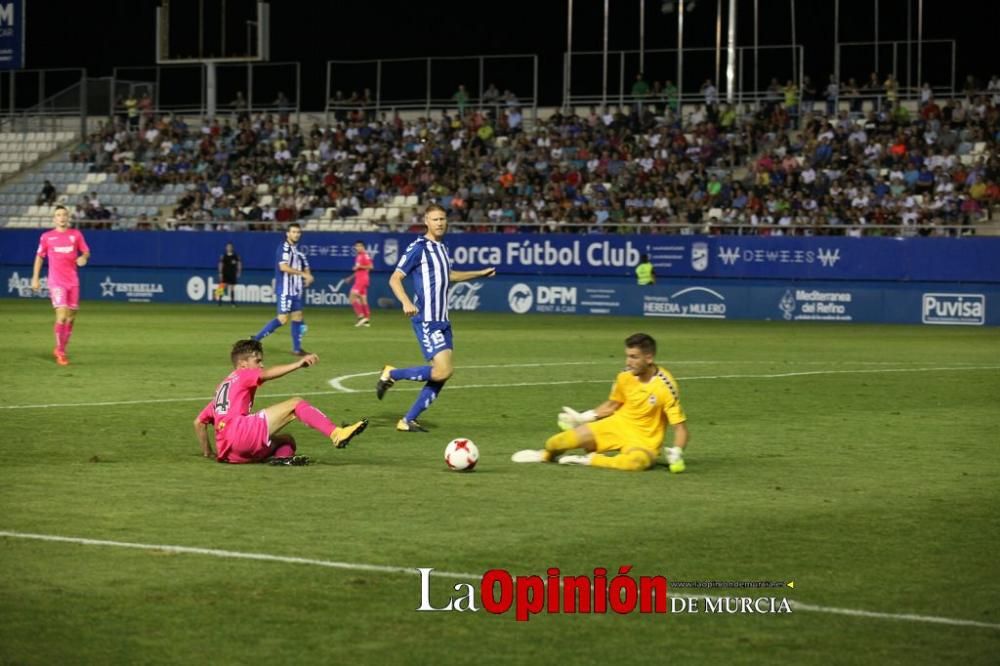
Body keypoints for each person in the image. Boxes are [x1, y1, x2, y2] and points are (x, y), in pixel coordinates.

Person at [375, 204, 496, 432]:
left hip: (443, 320)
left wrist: (479, 273)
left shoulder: (441, 248)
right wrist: (406, 302)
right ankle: (392, 374)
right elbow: (395, 278)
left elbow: (450, 275)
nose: (439, 223)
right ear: (426, 222)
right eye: (435, 219)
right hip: (427, 319)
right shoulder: (418, 247)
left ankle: (407, 420)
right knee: (442, 371)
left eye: (442, 219)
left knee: (443, 374)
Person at [512, 333, 689, 473]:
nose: (628, 362)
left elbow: (680, 428)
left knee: (635, 463)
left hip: (644, 441)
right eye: (627, 356)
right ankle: (545, 456)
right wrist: (585, 417)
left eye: (634, 357)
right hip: (615, 426)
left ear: (649, 358)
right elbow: (612, 405)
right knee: (556, 443)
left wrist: (677, 451)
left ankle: (590, 460)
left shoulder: (666, 385)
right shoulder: (625, 376)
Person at [194, 339, 368, 465]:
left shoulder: (222, 390)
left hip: (232, 455)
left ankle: (282, 460)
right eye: (258, 361)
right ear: (242, 364)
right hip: (242, 434)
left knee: (287, 441)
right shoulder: (242, 374)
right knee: (295, 403)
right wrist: (298, 364)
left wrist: (208, 453)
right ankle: (336, 434)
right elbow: (267, 374)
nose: (261, 365)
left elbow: (199, 423)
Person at [30, 205, 90, 366]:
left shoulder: (76, 235)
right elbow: (39, 257)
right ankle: (61, 353)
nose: (62, 217)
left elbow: (85, 252)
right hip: (56, 282)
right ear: (54, 218)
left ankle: (61, 348)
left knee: (71, 318)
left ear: (68, 217)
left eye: (64, 214)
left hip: (73, 282)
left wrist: (84, 258)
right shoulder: (47, 237)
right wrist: (35, 278)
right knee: (62, 316)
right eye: (58, 215)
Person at [251, 222, 314, 355]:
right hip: (285, 290)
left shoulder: (295, 250)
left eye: (298, 232)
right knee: (282, 319)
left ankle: (297, 349)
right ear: (288, 233)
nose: (296, 234)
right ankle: (255, 340)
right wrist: (303, 274)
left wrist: (305, 277)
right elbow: (283, 267)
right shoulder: (284, 247)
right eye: (293, 232)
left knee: (297, 316)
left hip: (294, 291)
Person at [344, 239, 373, 327]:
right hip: (360, 279)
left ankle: (361, 317)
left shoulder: (365, 255)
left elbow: (371, 266)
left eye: (359, 246)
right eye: (356, 246)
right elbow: (358, 270)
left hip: (362, 280)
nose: (357, 248)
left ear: (363, 247)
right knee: (363, 299)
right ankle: (367, 320)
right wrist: (350, 278)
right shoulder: (359, 256)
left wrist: (360, 266)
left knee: (351, 298)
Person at [216, 242, 242, 307]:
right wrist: (220, 273)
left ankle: (232, 302)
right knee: (221, 286)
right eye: (228, 247)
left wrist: (239, 271)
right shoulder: (223, 256)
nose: (229, 248)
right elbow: (220, 264)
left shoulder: (235, 256)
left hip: (232, 274)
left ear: (232, 248)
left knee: (232, 288)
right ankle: (219, 301)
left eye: (230, 247)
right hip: (225, 273)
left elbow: (239, 264)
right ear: (226, 248)